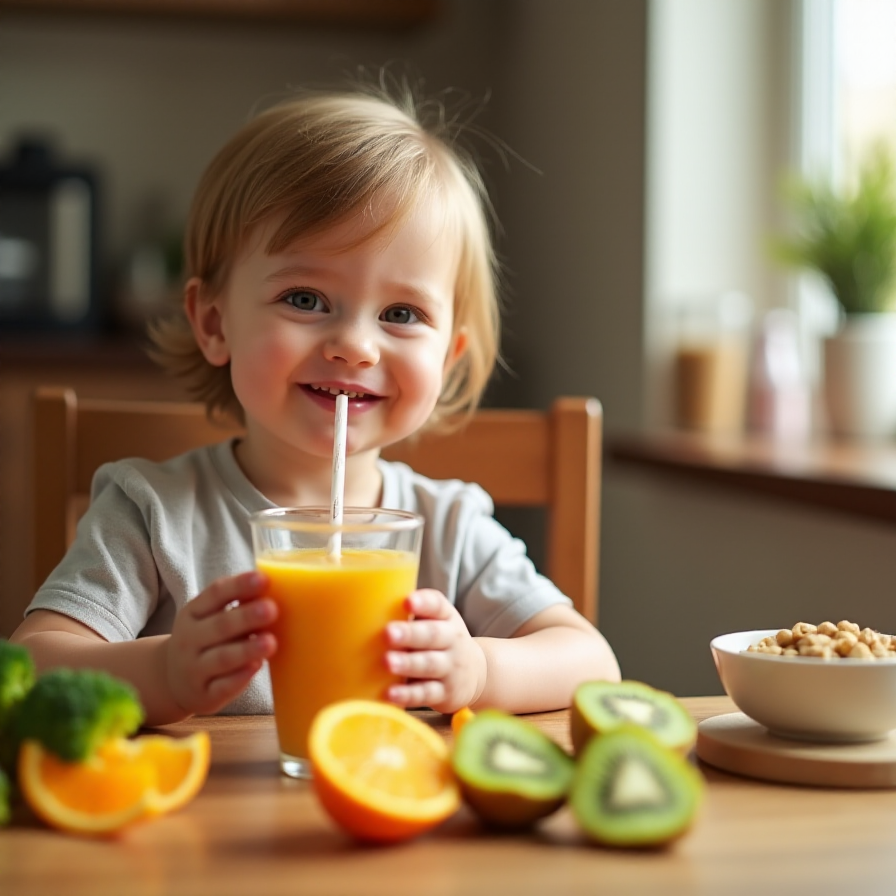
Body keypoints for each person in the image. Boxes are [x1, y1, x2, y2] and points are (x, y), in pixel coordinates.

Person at [11, 85, 620, 726]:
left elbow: (590, 659)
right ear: (215, 323)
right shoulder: (151, 514)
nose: (356, 346)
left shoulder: (449, 527)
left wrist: (480, 670)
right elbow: (33, 666)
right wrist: (163, 673)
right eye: (305, 299)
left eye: (402, 314)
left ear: (447, 357)